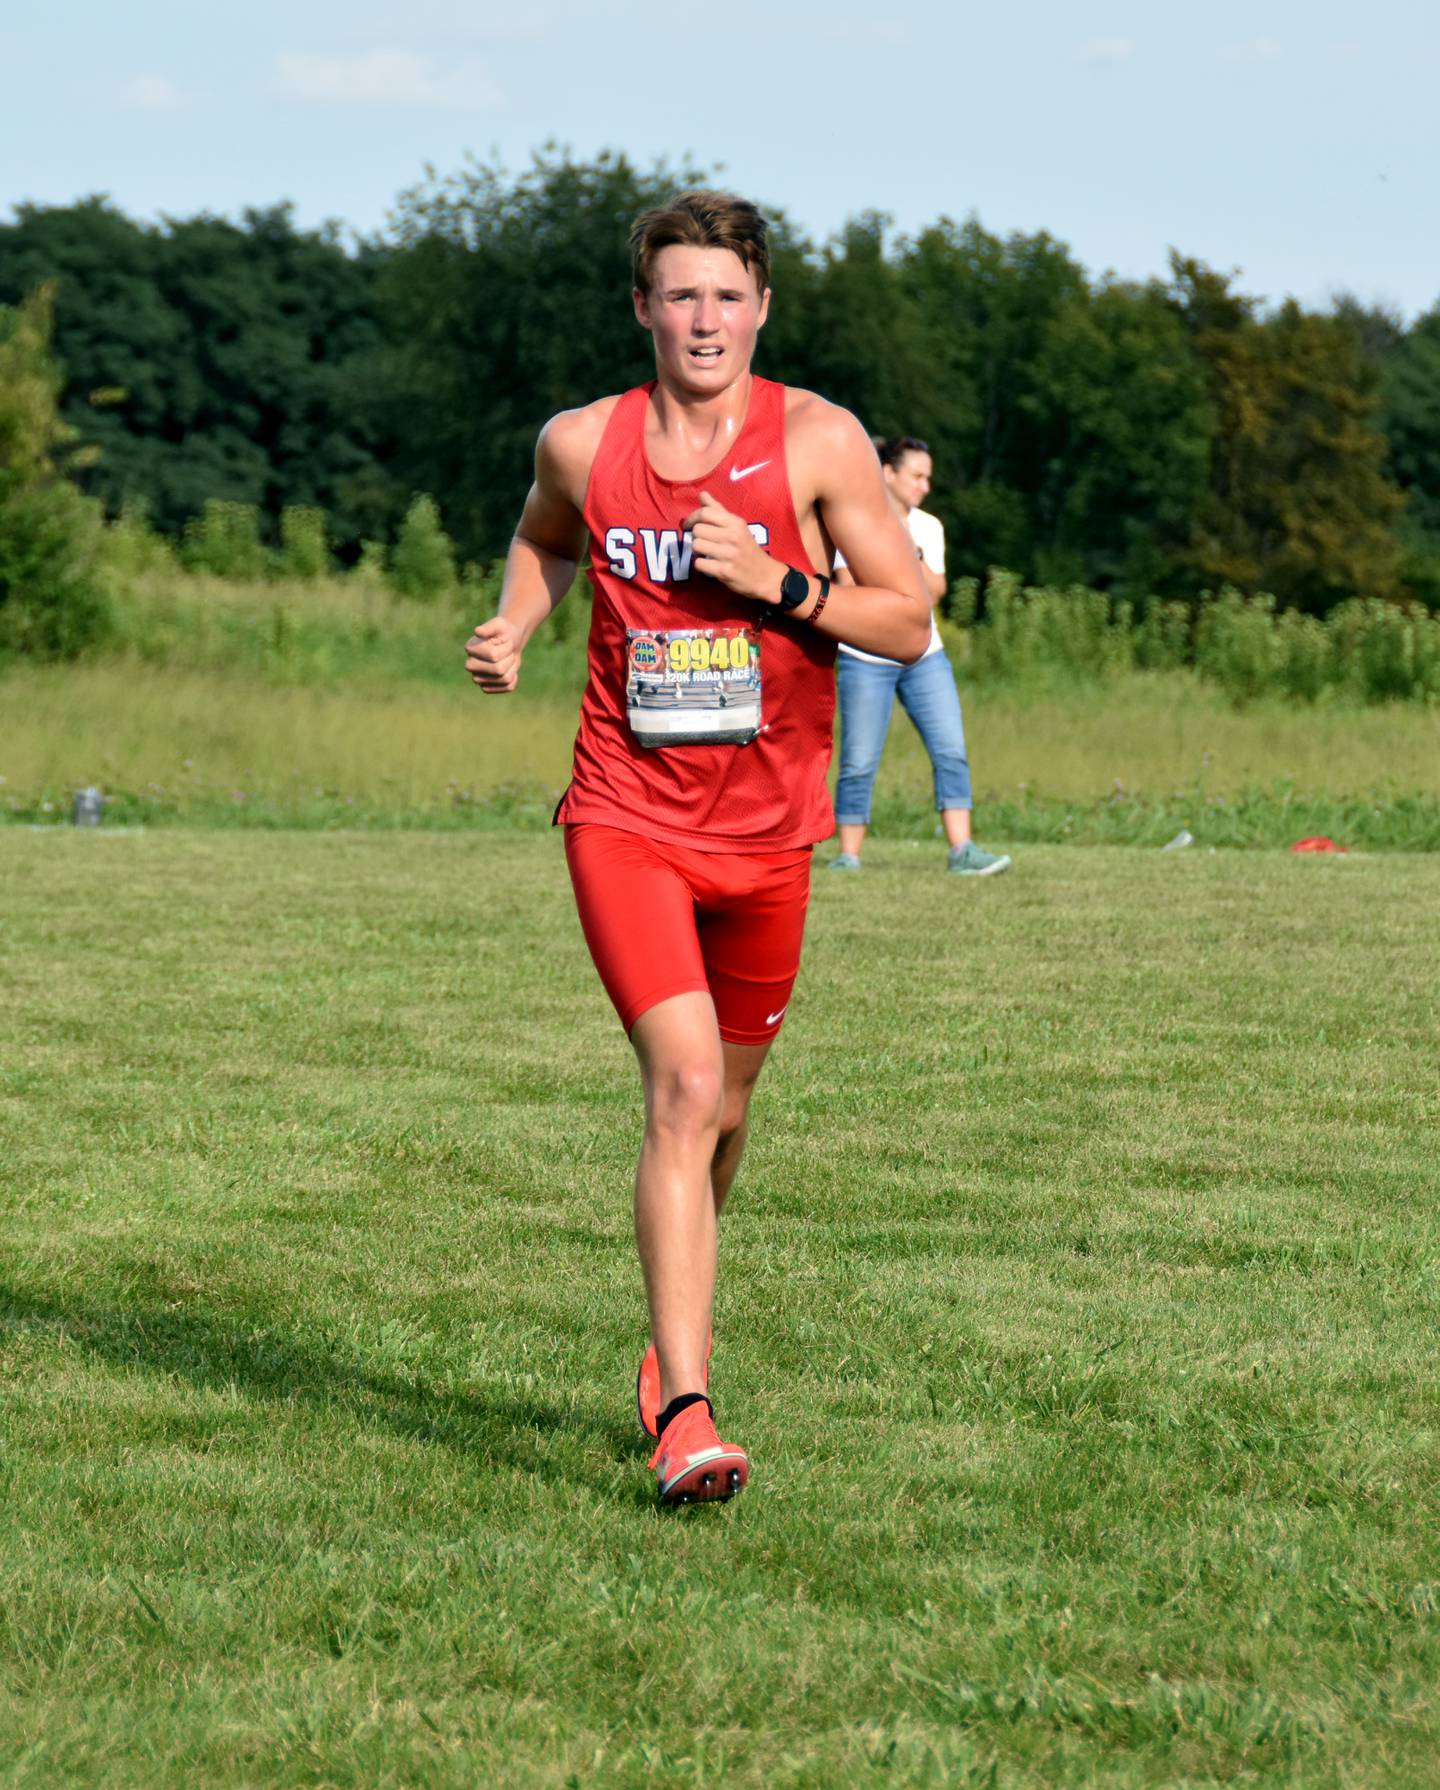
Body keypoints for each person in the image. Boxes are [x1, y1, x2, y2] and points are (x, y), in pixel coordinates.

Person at [463, 191, 930, 1505]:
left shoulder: (821, 441)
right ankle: (684, 1404)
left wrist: (774, 581)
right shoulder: (582, 441)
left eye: (726, 295)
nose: (704, 318)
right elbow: (546, 538)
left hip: (771, 835)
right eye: (680, 294)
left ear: (761, 307)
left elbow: (906, 623)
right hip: (626, 815)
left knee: (725, 1110)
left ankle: (670, 1342)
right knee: (677, 1088)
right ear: (643, 308)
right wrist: (513, 626)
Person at [829, 436, 1011, 876]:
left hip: (925, 657)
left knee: (950, 748)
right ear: (887, 474)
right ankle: (848, 856)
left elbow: (933, 592)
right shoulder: (848, 521)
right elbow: (848, 586)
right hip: (864, 656)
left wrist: (905, 548)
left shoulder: (928, 528)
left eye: (928, 477)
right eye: (917, 476)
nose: (925, 486)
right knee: (858, 759)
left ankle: (961, 850)